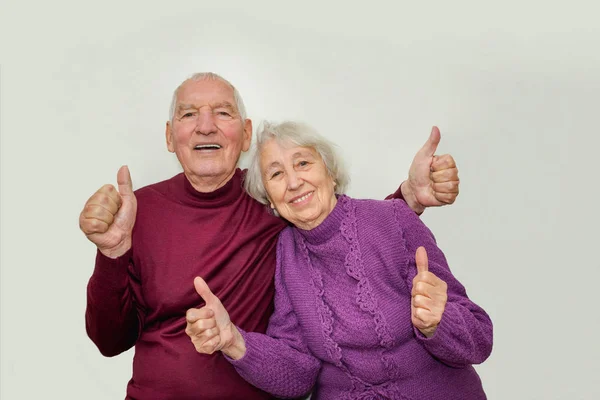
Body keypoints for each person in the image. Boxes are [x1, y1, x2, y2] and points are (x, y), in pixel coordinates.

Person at [79, 72, 460, 400]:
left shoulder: (274, 195)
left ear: (245, 135)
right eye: (189, 114)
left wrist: (408, 197)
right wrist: (112, 251)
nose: (206, 125)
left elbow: (340, 225)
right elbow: (110, 341)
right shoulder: (139, 210)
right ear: (169, 135)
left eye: (223, 112)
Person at [185, 121, 491, 399]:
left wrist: (440, 321)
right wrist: (233, 341)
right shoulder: (287, 253)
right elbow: (297, 376)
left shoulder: (394, 220)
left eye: (303, 163)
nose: (293, 182)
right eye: (276, 174)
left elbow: (479, 340)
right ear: (269, 198)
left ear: (330, 173)